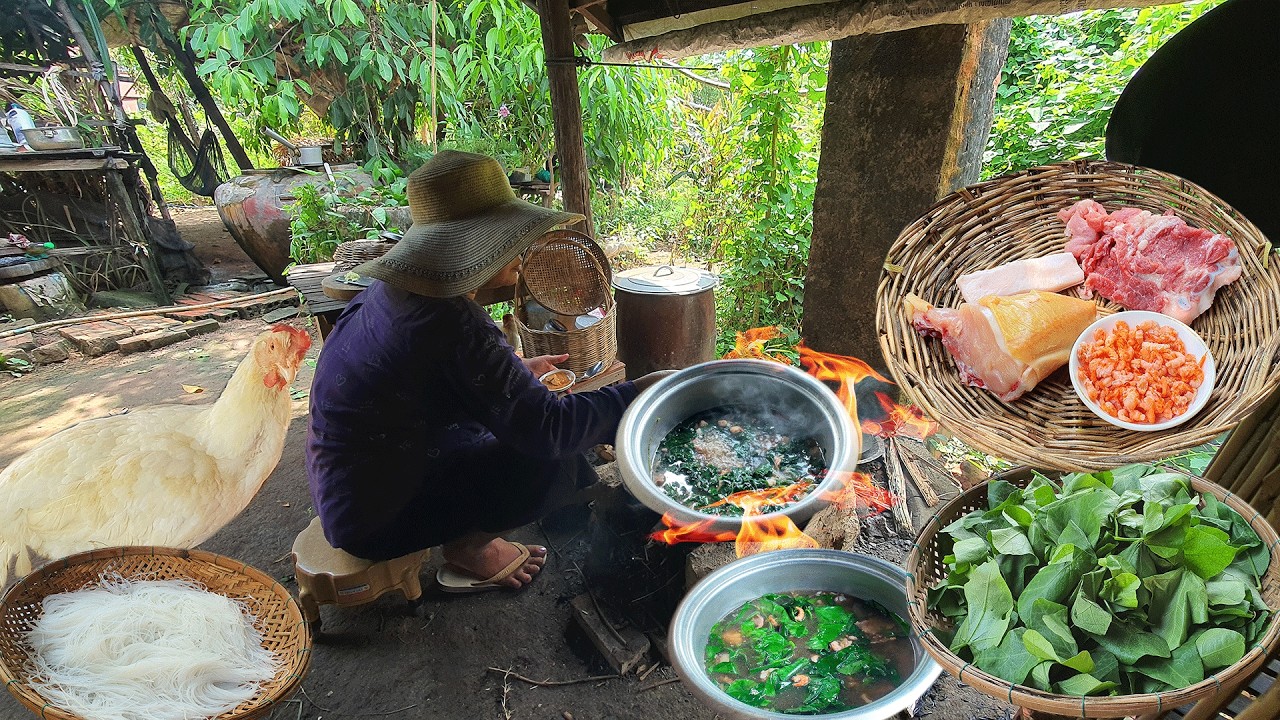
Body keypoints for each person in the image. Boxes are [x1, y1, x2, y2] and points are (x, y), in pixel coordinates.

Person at [306, 150, 673, 593]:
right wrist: (643, 393)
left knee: (530, 428)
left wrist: (513, 372)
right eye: (508, 240)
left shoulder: (396, 293)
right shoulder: (453, 324)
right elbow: (548, 429)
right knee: (553, 459)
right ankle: (470, 549)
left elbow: (427, 378)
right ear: (471, 247)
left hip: (349, 485)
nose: (522, 251)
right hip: (374, 517)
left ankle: (465, 535)